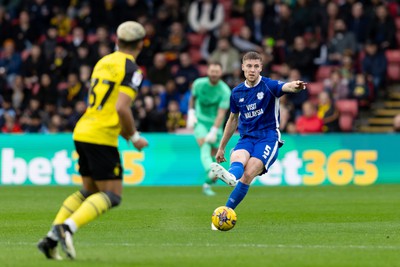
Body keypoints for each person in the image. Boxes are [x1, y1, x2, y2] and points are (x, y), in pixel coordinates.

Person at [37, 21, 148, 260]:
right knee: (113, 195)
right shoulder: (133, 71)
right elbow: (121, 108)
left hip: (83, 130)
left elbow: (104, 104)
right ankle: (67, 228)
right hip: (101, 136)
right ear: (141, 44)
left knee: (89, 190)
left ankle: (50, 238)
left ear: (116, 40)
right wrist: (134, 136)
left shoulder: (102, 62)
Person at [210, 51, 306, 217]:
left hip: (268, 138)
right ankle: (231, 176)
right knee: (239, 157)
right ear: (242, 68)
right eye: (249, 66)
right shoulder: (237, 93)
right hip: (246, 137)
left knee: (248, 174)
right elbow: (232, 120)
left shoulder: (269, 85)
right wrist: (221, 147)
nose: (252, 70)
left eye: (255, 66)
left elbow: (286, 86)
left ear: (261, 68)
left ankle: (225, 212)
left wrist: (295, 86)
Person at [187, 61, 231, 196]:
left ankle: (207, 182)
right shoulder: (198, 83)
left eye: (216, 72)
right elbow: (193, 98)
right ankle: (212, 172)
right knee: (204, 145)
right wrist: (191, 112)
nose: (214, 74)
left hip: (215, 124)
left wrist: (214, 130)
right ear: (208, 71)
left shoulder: (224, 90)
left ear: (221, 73)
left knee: (215, 155)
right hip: (200, 121)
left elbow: (221, 113)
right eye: (212, 71)